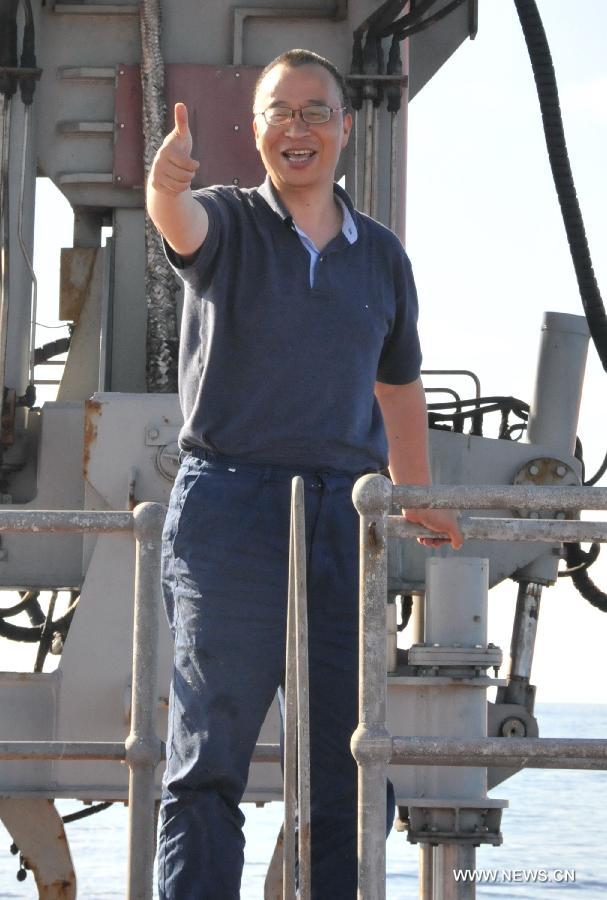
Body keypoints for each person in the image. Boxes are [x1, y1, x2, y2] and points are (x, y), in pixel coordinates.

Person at [147, 48, 463, 900]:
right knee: (207, 758)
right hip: (228, 509)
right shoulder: (227, 222)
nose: (299, 127)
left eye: (316, 110)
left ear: (346, 127)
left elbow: (398, 385)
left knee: (346, 762)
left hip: (343, 520)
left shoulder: (383, 258)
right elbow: (176, 219)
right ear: (255, 132)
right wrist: (165, 183)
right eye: (280, 112)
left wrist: (418, 493)